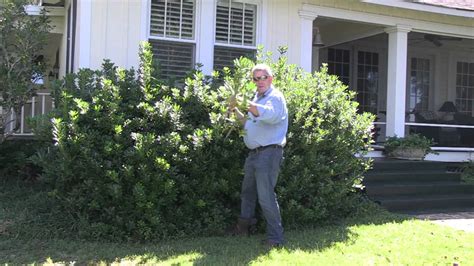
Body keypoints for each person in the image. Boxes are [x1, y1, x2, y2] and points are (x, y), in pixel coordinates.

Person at [229, 63, 288, 248]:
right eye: (256, 78)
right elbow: (249, 123)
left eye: (263, 77)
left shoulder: (275, 97)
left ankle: (275, 238)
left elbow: (270, 115)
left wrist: (244, 102)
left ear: (271, 79)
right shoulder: (257, 97)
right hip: (254, 154)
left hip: (269, 153)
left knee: (266, 196)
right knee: (248, 193)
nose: (259, 81)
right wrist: (234, 110)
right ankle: (244, 228)